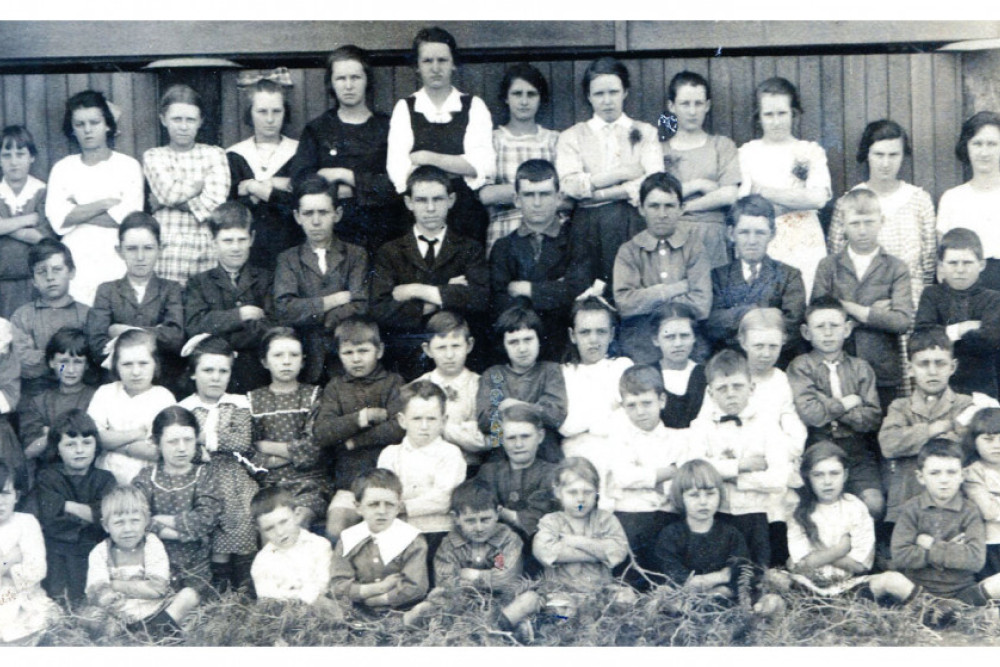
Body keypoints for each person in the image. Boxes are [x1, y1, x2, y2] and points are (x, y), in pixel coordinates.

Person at [371, 165, 490, 379]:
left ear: (451, 200)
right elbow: (380, 309)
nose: (431, 208)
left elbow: (479, 299)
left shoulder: (470, 249)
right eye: (422, 200)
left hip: (458, 358)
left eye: (438, 199)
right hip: (406, 357)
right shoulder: (390, 252)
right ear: (409, 203)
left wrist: (414, 290)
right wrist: (445, 295)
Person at [556, 56, 661, 291]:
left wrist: (597, 192)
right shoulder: (572, 136)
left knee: (632, 288)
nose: (607, 101)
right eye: (599, 94)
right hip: (586, 228)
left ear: (625, 92)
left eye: (613, 92)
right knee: (587, 293)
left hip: (632, 221)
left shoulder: (645, 133)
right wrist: (622, 173)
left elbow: (652, 183)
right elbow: (570, 185)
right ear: (588, 96)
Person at [685, 349, 795, 570]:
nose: (730, 394)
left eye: (737, 386)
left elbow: (779, 478)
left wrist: (735, 479)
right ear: (710, 393)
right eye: (722, 388)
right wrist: (740, 466)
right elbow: (696, 469)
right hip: (719, 514)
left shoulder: (768, 426)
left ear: (751, 388)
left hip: (758, 515)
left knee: (756, 573)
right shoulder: (700, 427)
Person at [387, 26, 495, 246]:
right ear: (417, 66)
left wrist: (427, 158)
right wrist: (457, 164)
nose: (435, 68)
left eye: (442, 60)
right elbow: (398, 170)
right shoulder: (405, 108)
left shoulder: (473, 106)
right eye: (427, 61)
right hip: (418, 214)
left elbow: (483, 166)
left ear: (453, 63)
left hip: (464, 212)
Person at [289, 45, 402, 254]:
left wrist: (346, 176)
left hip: (384, 235)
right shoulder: (317, 129)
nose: (348, 86)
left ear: (367, 80)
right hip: (332, 238)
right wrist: (341, 192)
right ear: (331, 83)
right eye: (341, 78)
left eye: (355, 77)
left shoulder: (388, 127)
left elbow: (398, 184)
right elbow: (301, 180)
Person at [880, 327, 996, 524]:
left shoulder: (967, 405)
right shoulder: (900, 407)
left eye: (940, 363)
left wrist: (914, 440)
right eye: (924, 364)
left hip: (956, 505)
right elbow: (889, 444)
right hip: (909, 501)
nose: (932, 371)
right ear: (910, 369)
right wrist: (940, 428)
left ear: (952, 367)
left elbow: (968, 447)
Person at [812, 189, 913, 408]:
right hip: (838, 365)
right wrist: (874, 313)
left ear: (881, 221)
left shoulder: (896, 267)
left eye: (869, 222)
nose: (862, 230)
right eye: (855, 223)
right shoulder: (828, 266)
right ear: (843, 224)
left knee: (883, 432)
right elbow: (817, 315)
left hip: (883, 369)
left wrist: (846, 308)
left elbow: (902, 321)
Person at [788, 297, 883, 520]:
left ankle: (865, 550)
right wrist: (847, 402)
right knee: (818, 511)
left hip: (856, 450)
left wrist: (827, 403)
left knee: (874, 504)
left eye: (835, 326)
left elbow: (872, 417)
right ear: (806, 332)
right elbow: (811, 414)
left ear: (847, 328)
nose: (828, 333)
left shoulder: (861, 368)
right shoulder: (800, 367)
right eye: (820, 326)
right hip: (817, 446)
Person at [177, 335, 259, 594]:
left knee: (241, 519)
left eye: (223, 371)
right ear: (193, 374)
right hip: (200, 480)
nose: (216, 377)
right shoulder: (184, 409)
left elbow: (242, 440)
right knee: (210, 535)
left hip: (235, 479)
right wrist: (202, 447)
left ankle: (244, 592)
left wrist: (202, 439)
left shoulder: (238, 403)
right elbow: (184, 449)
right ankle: (217, 594)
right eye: (208, 370)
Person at [46, 90, 143, 306]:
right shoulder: (63, 168)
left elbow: (128, 219)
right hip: (76, 260)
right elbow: (57, 219)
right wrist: (104, 204)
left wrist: (77, 211)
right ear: (72, 129)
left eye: (94, 122)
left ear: (107, 124)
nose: (87, 130)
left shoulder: (128, 166)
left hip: (115, 259)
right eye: (80, 124)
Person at [312, 316, 405, 540]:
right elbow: (323, 432)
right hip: (350, 481)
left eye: (363, 351)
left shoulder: (393, 382)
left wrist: (356, 441)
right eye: (348, 353)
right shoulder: (335, 387)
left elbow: (398, 427)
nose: (356, 359)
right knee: (336, 528)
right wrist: (362, 418)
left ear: (379, 350)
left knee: (395, 531)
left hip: (389, 478)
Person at [882, 439, 1000, 616]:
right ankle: (940, 613)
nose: (944, 480)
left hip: (962, 593)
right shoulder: (911, 509)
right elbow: (901, 556)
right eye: (935, 473)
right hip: (919, 591)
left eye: (951, 472)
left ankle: (951, 613)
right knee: (890, 580)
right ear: (921, 477)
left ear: (962, 475)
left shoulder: (970, 511)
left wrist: (930, 545)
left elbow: (975, 560)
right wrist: (953, 551)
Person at [738, 77, 831, 298]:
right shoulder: (748, 152)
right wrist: (797, 199)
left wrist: (765, 192)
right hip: (764, 240)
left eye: (782, 113)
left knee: (805, 297)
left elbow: (818, 198)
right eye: (768, 115)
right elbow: (745, 202)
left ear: (794, 114)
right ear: (758, 117)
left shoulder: (809, 150)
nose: (776, 121)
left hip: (804, 239)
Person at [828, 120, 936, 309]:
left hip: (911, 299)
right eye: (879, 154)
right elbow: (837, 260)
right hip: (861, 301)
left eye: (893, 155)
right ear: (867, 155)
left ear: (903, 156)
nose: (886, 163)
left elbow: (929, 262)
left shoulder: (919, 200)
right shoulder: (848, 202)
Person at [402, 479, 531, 635]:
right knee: (435, 600)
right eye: (470, 521)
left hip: (501, 600)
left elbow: (506, 579)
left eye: (485, 519)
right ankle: (433, 622)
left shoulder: (506, 541)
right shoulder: (449, 545)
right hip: (461, 601)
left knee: (527, 599)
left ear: (498, 513)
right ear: (456, 518)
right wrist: (488, 577)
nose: (479, 528)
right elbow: (446, 582)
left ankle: (503, 627)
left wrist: (472, 574)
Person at [274, 174, 369, 385]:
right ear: (297, 217)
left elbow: (360, 304)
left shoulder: (355, 255)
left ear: (337, 214)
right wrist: (331, 301)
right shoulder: (288, 259)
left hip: (346, 359)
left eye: (323, 212)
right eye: (308, 214)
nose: (316, 221)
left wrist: (312, 313)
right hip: (305, 362)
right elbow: (284, 309)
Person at [613, 171, 711, 364]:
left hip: (687, 342)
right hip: (642, 342)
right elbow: (625, 304)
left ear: (681, 208)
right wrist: (673, 289)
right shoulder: (629, 251)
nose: (662, 214)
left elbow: (701, 306)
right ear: (641, 208)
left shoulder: (694, 247)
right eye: (654, 206)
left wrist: (647, 298)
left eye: (669, 206)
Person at [184, 201, 277, 394]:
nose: (236, 248)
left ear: (251, 238)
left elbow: (271, 326)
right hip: (213, 382)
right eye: (227, 240)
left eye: (241, 240)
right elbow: (195, 326)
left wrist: (217, 333)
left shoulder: (266, 279)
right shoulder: (198, 283)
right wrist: (241, 315)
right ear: (213, 241)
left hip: (257, 377)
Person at [83, 485, 200, 638]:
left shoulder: (152, 544)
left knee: (189, 595)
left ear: (145, 521)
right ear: (106, 526)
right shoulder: (100, 552)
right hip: (120, 616)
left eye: (135, 521)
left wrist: (115, 585)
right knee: (91, 616)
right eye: (119, 523)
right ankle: (152, 635)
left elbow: (157, 588)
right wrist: (108, 598)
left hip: (157, 610)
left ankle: (153, 632)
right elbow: (95, 590)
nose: (128, 529)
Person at [85, 212, 185, 389]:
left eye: (148, 248)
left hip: (163, 384)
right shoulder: (107, 291)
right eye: (132, 249)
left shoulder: (171, 289)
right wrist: (156, 333)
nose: (140, 257)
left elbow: (175, 338)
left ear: (160, 249)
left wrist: (125, 331)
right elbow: (97, 345)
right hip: (117, 385)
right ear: (120, 251)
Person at [143, 84, 230, 285]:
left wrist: (167, 202)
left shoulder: (215, 154)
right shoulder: (154, 156)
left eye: (190, 119)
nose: (183, 126)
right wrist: (197, 188)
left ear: (200, 121)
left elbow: (216, 203)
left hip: (206, 249)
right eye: (177, 119)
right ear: (163, 119)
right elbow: (168, 194)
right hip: (168, 250)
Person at [133, 406, 222, 598]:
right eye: (172, 441)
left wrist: (158, 519)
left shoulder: (205, 475)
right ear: (157, 443)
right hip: (153, 566)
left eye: (188, 440)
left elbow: (206, 519)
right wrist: (182, 533)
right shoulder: (146, 478)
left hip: (196, 568)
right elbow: (136, 519)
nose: (181, 448)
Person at [489, 159, 574, 360]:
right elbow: (500, 304)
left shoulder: (576, 241)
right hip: (521, 350)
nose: (537, 203)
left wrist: (527, 290)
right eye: (529, 195)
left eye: (544, 194)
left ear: (558, 197)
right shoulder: (503, 247)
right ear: (517, 200)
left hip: (565, 348)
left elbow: (576, 289)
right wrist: (553, 289)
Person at [377, 380, 466, 570]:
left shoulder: (450, 454)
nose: (424, 426)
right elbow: (386, 496)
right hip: (399, 532)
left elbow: (444, 500)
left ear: (444, 420)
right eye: (417, 419)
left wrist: (404, 506)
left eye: (432, 419)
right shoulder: (390, 454)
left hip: (439, 532)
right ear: (402, 420)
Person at [604, 365, 684, 575]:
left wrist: (646, 477)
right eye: (631, 405)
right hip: (631, 516)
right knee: (630, 575)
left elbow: (683, 477)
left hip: (668, 516)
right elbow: (624, 477)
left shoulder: (678, 438)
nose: (640, 412)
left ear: (662, 401)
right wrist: (668, 472)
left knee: (668, 571)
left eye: (647, 403)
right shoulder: (619, 439)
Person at [705, 195, 805, 359]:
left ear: (772, 234)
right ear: (731, 233)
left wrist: (735, 319)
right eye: (744, 232)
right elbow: (712, 323)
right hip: (729, 362)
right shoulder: (717, 276)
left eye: (760, 233)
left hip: (775, 361)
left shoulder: (789, 276)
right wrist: (752, 312)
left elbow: (792, 326)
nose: (752, 241)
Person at [531, 457, 632, 621]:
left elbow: (619, 551)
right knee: (560, 612)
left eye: (587, 492)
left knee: (626, 599)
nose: (580, 499)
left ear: (597, 492)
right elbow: (545, 551)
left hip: (600, 590)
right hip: (561, 591)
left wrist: (577, 542)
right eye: (572, 492)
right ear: (558, 492)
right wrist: (599, 553)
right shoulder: (551, 521)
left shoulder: (606, 520)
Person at [247, 327, 326, 529]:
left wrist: (266, 446)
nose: (287, 361)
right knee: (270, 525)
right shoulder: (252, 400)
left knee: (296, 522)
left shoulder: (314, 396)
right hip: (268, 485)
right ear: (264, 361)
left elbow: (312, 449)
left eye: (294, 355)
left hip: (309, 483)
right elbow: (248, 451)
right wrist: (288, 454)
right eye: (278, 355)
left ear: (303, 360)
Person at [34, 409, 116, 605]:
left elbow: (106, 517)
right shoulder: (48, 477)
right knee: (57, 602)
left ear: (96, 446)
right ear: (57, 448)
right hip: (57, 555)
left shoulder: (105, 479)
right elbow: (50, 520)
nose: (80, 450)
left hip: (94, 553)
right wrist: (91, 513)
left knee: (91, 603)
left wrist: (65, 505)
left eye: (87, 443)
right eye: (70, 444)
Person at [660, 71, 739, 270]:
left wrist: (684, 207)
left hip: (714, 237)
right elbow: (659, 197)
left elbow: (729, 194)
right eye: (685, 104)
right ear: (672, 106)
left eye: (698, 103)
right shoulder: (660, 151)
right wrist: (701, 185)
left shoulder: (722, 145)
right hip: (672, 236)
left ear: (707, 106)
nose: (692, 111)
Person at [480, 63, 561, 254]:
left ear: (541, 98)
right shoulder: (493, 140)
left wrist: (512, 193)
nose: (524, 101)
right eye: (517, 94)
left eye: (531, 94)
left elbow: (566, 197)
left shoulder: (554, 140)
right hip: (504, 231)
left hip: (551, 233)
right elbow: (485, 195)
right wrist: (541, 191)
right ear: (506, 98)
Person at [226, 74, 301, 269]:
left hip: (291, 248)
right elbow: (232, 209)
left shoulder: (299, 152)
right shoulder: (235, 155)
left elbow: (299, 203)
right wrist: (277, 187)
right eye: (262, 111)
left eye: (276, 111)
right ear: (250, 113)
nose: (270, 119)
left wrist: (254, 188)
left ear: (286, 112)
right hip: (247, 256)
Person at [476, 305, 567, 464]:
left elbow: (555, 414)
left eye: (528, 339)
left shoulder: (550, 371)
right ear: (503, 345)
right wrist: (533, 410)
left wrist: (511, 406)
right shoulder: (493, 375)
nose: (522, 348)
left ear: (539, 340)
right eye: (513, 342)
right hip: (502, 457)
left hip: (544, 455)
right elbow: (484, 421)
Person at [915, 228, 1000, 398]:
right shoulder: (931, 295)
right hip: (939, 386)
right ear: (940, 266)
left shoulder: (993, 299)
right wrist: (961, 329)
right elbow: (922, 337)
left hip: (981, 385)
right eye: (953, 263)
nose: (960, 270)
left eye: (967, 263)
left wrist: (943, 333)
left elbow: (990, 340)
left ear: (982, 265)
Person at [329, 468, 429, 611]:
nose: (382, 511)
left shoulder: (411, 540)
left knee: (422, 610)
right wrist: (376, 589)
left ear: (398, 507)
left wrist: (380, 600)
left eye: (389, 504)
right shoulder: (348, 539)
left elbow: (416, 587)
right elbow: (338, 585)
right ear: (358, 507)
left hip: (401, 609)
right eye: (373, 504)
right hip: (357, 609)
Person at [652, 459, 752, 598]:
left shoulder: (731, 535)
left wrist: (722, 582)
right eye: (694, 495)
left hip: (723, 605)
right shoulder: (670, 535)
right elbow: (678, 579)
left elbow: (740, 573)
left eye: (710, 494)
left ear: (720, 494)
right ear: (680, 498)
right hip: (683, 602)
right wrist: (721, 576)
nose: (703, 502)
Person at [87, 329, 175, 485]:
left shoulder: (163, 398)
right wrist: (137, 434)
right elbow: (94, 438)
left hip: (151, 483)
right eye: (127, 364)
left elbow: (163, 451)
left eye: (143, 363)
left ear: (155, 364)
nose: (135, 372)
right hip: (108, 480)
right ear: (116, 366)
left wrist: (116, 443)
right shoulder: (105, 393)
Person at [785, 442, 875, 594]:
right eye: (818, 475)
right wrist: (839, 550)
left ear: (845, 475)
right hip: (808, 586)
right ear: (808, 477)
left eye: (834, 473)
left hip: (848, 586)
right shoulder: (799, 510)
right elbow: (800, 566)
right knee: (776, 578)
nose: (827, 481)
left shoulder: (855, 507)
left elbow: (861, 565)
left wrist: (818, 554)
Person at [11, 240, 90, 400]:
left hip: (79, 396)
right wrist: (71, 355)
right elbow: (21, 363)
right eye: (41, 272)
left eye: (57, 269)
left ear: (71, 272)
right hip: (36, 397)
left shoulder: (87, 314)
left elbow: (92, 360)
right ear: (33, 280)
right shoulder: (23, 316)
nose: (50, 277)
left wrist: (42, 356)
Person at [475, 403, 559, 550]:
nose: (519, 444)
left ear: (540, 436)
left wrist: (503, 513)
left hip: (540, 550)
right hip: (497, 548)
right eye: (511, 438)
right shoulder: (489, 473)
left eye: (525, 436)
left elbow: (541, 519)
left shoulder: (552, 474)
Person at [559, 297, 633, 460]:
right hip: (577, 458)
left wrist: (585, 420)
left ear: (611, 334)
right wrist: (611, 409)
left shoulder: (622, 367)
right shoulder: (564, 373)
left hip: (620, 455)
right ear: (572, 335)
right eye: (585, 332)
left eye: (601, 331)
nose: (593, 339)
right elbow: (566, 426)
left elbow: (630, 420)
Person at [18, 328, 97, 479]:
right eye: (63, 362)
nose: (70, 369)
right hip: (50, 475)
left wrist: (51, 432)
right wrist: (52, 437)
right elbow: (30, 450)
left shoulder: (97, 396)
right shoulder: (39, 402)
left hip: (90, 474)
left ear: (87, 364)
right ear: (52, 362)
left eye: (78, 362)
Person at [414, 311, 488, 473]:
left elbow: (485, 439)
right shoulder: (417, 386)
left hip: (469, 468)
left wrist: (441, 427)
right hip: (427, 469)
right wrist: (464, 428)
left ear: (469, 345)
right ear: (427, 350)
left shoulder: (481, 385)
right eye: (441, 347)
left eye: (456, 346)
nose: (449, 355)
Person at [937, 111, 1000, 290]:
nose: (984, 152)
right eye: (977, 143)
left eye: (992, 144)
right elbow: (942, 266)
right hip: (966, 292)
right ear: (966, 147)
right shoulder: (952, 198)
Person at [0, 461, 60, 645]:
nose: (0, 501)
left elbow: (37, 570)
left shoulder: (26, 523)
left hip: (26, 601)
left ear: (16, 496)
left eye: (5, 493)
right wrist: (9, 560)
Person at [249, 487, 336, 607]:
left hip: (319, 607)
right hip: (285, 614)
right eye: (269, 528)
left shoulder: (319, 545)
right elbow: (267, 597)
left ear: (297, 515)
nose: (279, 532)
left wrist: (293, 593)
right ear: (260, 531)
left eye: (284, 522)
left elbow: (323, 584)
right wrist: (301, 595)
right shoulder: (262, 561)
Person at [0, 125, 53, 319]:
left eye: (20, 154)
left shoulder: (42, 192)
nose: (14, 162)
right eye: (6, 155)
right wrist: (28, 219)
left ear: (32, 157)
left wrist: (5, 226)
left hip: (35, 284)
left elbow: (42, 238)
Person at [649, 303, 706, 429]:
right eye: (669, 337)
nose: (678, 343)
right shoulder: (647, 375)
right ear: (656, 339)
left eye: (684, 336)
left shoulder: (705, 375)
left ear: (694, 337)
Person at [961, 408, 1000, 580]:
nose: (997, 445)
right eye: (988, 439)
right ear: (974, 442)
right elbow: (989, 511)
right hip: (992, 543)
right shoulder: (972, 473)